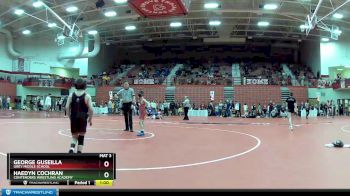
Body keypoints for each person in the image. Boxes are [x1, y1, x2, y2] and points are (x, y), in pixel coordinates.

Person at [66, 78, 93, 153]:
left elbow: (67, 107)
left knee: (74, 136)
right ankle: (79, 153)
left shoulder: (71, 95)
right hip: (83, 116)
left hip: (74, 116)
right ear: (85, 86)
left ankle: (71, 149)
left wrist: (69, 116)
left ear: (75, 85)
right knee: (81, 137)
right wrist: (90, 119)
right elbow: (91, 109)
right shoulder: (87, 96)